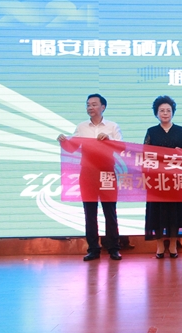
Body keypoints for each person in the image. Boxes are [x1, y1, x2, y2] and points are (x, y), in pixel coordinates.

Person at [57, 93, 122, 261]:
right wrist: (63, 141)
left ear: (103, 107)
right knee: (90, 212)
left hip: (107, 172)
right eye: (88, 105)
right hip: (87, 173)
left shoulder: (112, 126)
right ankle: (93, 248)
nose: (90, 107)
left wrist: (108, 139)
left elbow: (121, 147)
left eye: (94, 104)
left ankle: (114, 248)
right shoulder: (81, 127)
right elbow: (72, 148)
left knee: (110, 212)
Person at [143, 96, 182, 259]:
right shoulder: (151, 131)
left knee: (175, 212)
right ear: (156, 113)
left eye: (168, 110)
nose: (165, 113)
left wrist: (180, 152)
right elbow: (145, 154)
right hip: (157, 180)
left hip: (176, 179)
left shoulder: (181, 131)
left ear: (173, 112)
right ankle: (159, 245)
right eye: (161, 110)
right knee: (157, 212)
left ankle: (173, 245)